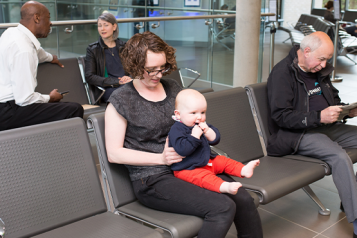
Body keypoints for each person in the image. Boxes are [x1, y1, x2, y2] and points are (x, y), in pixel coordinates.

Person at [105, 31, 263, 238]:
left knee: (243, 199)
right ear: (135, 66)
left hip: (192, 165)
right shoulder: (121, 100)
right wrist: (161, 158)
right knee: (222, 208)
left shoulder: (173, 89)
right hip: (153, 178)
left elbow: (194, 120)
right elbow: (114, 153)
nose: (158, 75)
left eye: (163, 68)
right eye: (151, 70)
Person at [267, 31, 357, 238]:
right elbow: (281, 116)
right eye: (322, 58)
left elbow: (333, 100)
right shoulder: (282, 73)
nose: (324, 65)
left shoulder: (318, 71)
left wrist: (345, 110)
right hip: (298, 134)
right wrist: (318, 117)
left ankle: (351, 199)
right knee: (339, 157)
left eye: (327, 60)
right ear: (306, 51)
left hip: (326, 127)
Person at [0, 1, 83, 131]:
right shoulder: (24, 50)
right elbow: (25, 99)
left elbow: (38, 51)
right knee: (74, 110)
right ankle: (61, 150)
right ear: (37, 18)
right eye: (48, 18)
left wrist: (51, 58)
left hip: (8, 106)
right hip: (8, 111)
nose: (50, 23)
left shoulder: (12, 33)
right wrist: (50, 98)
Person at [169, 89, 260, 195]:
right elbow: (182, 150)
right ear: (178, 114)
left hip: (207, 162)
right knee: (203, 178)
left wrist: (207, 131)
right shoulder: (177, 129)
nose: (199, 117)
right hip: (187, 169)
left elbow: (215, 139)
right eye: (193, 113)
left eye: (202, 112)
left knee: (223, 161)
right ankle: (224, 186)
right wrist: (194, 136)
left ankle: (243, 169)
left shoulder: (200, 124)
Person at [85, 12, 132, 103]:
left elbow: (136, 68)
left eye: (106, 25)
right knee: (126, 95)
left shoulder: (125, 46)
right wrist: (116, 82)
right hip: (108, 88)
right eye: (99, 25)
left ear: (114, 27)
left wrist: (129, 77)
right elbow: (90, 77)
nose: (102, 29)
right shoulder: (93, 49)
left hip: (127, 84)